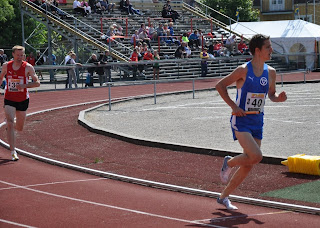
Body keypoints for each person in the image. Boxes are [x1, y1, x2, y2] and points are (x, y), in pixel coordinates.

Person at [215, 34, 287, 210]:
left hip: (258, 120)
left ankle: (224, 197)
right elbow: (220, 86)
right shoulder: (243, 70)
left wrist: (279, 98)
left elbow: (271, 94)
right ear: (258, 50)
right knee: (256, 156)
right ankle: (229, 162)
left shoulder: (271, 72)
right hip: (241, 120)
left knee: (249, 164)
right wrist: (234, 106)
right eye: (268, 47)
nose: (271, 50)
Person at [0, 45, 40, 161]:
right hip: (9, 98)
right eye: (18, 55)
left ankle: (11, 122)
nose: (20, 57)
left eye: (22, 55)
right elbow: (1, 77)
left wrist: (24, 85)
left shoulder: (28, 67)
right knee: (10, 123)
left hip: (22, 99)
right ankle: (13, 151)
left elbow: (37, 83)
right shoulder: (6, 66)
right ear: (13, 54)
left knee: (20, 127)